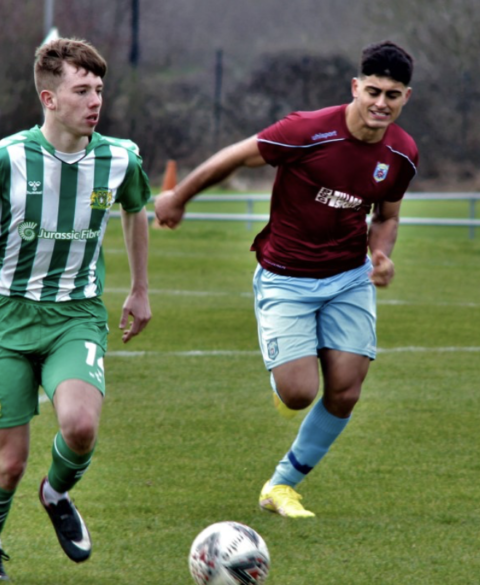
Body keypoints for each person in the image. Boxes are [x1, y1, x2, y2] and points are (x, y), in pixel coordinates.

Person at [154, 40, 418, 519]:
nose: (381, 103)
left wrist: (381, 254)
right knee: (299, 394)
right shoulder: (308, 130)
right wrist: (178, 197)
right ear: (355, 87)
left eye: (393, 95)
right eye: (374, 91)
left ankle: (282, 485)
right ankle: (294, 372)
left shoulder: (402, 153)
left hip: (348, 278)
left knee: (346, 390)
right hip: (286, 277)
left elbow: (388, 215)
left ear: (406, 98)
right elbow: (234, 156)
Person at [0, 37, 152, 581]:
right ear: (49, 97)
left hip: (75, 314)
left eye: (99, 90)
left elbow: (136, 212)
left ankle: (57, 492)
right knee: (8, 463)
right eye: (81, 90)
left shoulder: (119, 158)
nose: (94, 101)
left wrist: (139, 288)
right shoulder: (4, 159)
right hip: (3, 319)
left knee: (81, 426)